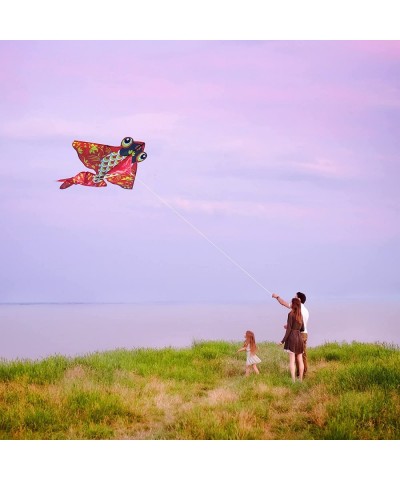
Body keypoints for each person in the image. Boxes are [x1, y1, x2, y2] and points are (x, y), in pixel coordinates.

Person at [272, 291, 309, 378]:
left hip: (297, 334)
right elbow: (301, 325)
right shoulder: (305, 310)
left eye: (295, 297)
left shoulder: (295, 311)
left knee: (295, 358)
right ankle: (302, 375)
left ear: (298, 299)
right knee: (302, 356)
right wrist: (292, 326)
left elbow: (283, 303)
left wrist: (277, 297)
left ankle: (299, 376)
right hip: (303, 334)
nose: (293, 298)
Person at [278, 298, 304, 382]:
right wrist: (295, 328)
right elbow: (302, 328)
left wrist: (282, 341)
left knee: (292, 361)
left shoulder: (290, 314)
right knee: (300, 360)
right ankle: (300, 380)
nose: (290, 303)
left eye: (291, 302)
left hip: (292, 338)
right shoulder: (300, 315)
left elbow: (288, 330)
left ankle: (293, 381)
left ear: (293, 304)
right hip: (299, 338)